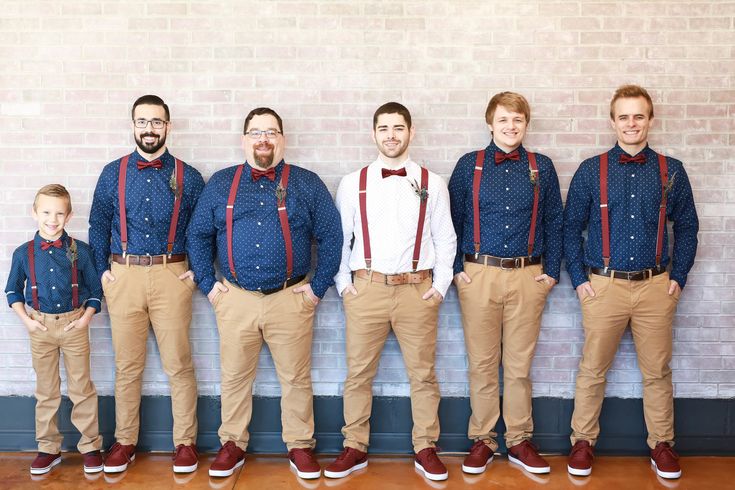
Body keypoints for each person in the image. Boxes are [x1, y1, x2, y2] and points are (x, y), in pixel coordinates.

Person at [187, 107, 342, 479]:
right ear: (244, 140)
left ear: (282, 139)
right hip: (235, 298)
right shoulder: (222, 183)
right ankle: (232, 444)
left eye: (270, 132)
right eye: (256, 132)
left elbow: (333, 236)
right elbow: (197, 234)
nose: (263, 139)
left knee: (295, 378)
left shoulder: (307, 183)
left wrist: (316, 290)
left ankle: (300, 446)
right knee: (235, 376)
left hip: (291, 298)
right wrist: (210, 287)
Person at [564, 84, 699, 479]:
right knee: (592, 368)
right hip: (603, 286)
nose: (631, 123)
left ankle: (661, 445)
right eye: (624, 116)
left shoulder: (671, 170)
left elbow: (688, 226)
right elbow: (571, 228)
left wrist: (678, 276)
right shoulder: (592, 170)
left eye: (638, 116)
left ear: (650, 121)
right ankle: (582, 442)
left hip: (656, 286)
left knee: (657, 370)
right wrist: (578, 280)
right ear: (613, 122)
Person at [324, 102, 456, 482]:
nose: (391, 135)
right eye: (384, 128)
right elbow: (340, 239)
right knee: (358, 373)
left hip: (418, 290)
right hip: (367, 288)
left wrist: (440, 286)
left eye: (399, 128)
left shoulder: (433, 182)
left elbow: (445, 239)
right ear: (374, 133)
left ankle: (426, 447)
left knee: (424, 374)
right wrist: (345, 286)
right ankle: (354, 446)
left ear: (411, 133)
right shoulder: (354, 182)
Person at [448, 92, 563, 475]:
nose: (510, 126)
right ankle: (482, 439)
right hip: (477, 273)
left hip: (528, 275)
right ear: (490, 123)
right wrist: (455, 270)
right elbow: (449, 221)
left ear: (526, 123)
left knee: (518, 365)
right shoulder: (470, 165)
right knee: (482, 363)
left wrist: (551, 272)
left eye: (517, 119)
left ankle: (518, 439)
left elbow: (554, 221)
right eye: (503, 120)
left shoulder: (541, 167)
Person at [89, 95, 205, 474]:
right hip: (123, 276)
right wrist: (102, 273)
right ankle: (125, 441)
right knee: (127, 366)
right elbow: (98, 225)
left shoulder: (190, 176)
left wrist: (196, 272)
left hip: (173, 275)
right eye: (142, 122)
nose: (149, 128)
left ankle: (185, 442)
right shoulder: (112, 173)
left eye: (156, 122)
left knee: (179, 364)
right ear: (133, 125)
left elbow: (204, 230)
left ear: (168, 126)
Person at [5, 184, 103, 475]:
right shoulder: (24, 253)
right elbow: (12, 291)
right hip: (39, 328)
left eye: (60, 213)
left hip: (74, 324)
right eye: (46, 212)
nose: (52, 219)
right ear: (34, 213)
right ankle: (48, 448)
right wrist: (28, 321)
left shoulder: (81, 251)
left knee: (81, 387)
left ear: (69, 215)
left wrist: (85, 319)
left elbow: (96, 290)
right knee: (46, 390)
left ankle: (90, 446)